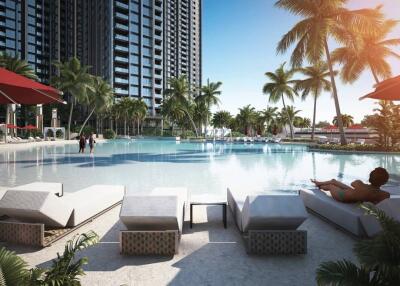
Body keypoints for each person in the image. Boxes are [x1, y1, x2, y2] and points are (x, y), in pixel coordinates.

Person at [311, 167, 390, 204]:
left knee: (331, 186)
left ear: (370, 177)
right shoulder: (385, 195)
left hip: (342, 196)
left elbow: (353, 183)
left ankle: (319, 185)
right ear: (384, 182)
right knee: (333, 181)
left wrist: (363, 185)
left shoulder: (361, 185)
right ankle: (319, 183)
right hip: (351, 193)